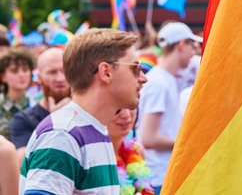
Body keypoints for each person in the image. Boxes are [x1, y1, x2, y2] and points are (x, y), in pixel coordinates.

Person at [20, 28, 147, 194]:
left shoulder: (95, 129)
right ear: (105, 72)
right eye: (134, 68)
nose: (143, 78)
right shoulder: (62, 134)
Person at [137, 22, 202, 194]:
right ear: (181, 45)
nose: (194, 52)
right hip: (160, 176)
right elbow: (149, 139)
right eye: (192, 46)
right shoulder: (159, 83)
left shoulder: (164, 79)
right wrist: (187, 144)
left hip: (164, 174)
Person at [10, 47, 71, 164]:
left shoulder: (87, 111)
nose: (60, 78)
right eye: (52, 72)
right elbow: (23, 162)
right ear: (39, 77)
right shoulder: (23, 120)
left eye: (64, 71)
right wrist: (54, 123)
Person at [108, 108, 154, 195]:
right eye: (118, 107)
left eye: (131, 106)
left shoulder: (137, 150)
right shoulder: (93, 156)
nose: (126, 115)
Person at [0, 47, 36, 139]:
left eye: (25, 70)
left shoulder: (36, 103)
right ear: (3, 77)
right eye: (14, 71)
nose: (21, 75)